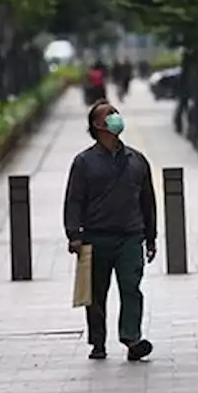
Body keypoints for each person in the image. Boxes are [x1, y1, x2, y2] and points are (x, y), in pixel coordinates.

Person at [63, 100, 157, 361]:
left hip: (131, 236)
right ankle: (98, 342)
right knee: (95, 294)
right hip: (95, 237)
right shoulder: (83, 163)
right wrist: (74, 235)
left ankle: (132, 338)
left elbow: (147, 201)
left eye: (116, 113)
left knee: (131, 287)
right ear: (96, 125)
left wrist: (151, 237)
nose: (116, 117)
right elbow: (74, 201)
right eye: (109, 115)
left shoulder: (137, 160)